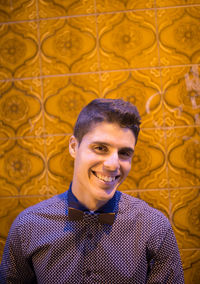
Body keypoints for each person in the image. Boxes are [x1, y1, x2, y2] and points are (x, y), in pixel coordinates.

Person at [0, 98, 184, 283]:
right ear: (74, 146)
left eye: (124, 153)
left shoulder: (154, 227)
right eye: (100, 148)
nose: (113, 165)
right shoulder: (27, 227)